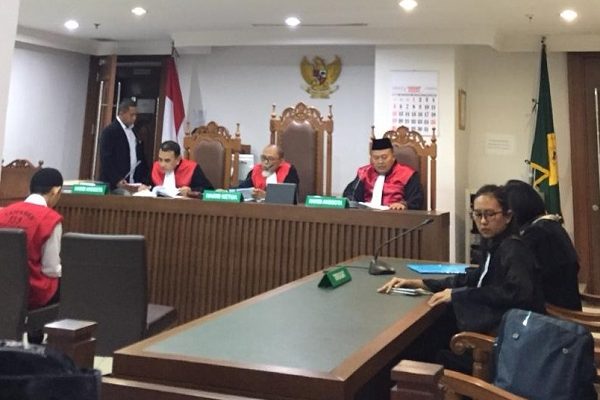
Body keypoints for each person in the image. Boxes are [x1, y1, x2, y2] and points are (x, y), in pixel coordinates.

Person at [377, 184, 545, 366]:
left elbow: (515, 293)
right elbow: (474, 278)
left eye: (490, 214)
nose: (483, 221)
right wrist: (422, 283)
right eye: (477, 214)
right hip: (491, 327)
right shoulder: (494, 244)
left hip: (505, 342)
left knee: (424, 340)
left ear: (508, 216)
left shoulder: (513, 249)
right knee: (430, 332)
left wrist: (458, 295)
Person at [504, 179, 582, 310]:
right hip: (563, 308)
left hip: (553, 314)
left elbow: (519, 283)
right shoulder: (549, 226)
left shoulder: (537, 234)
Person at [0, 168, 63, 309]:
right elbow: (51, 269)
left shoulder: (3, 212)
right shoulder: (51, 219)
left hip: (3, 287)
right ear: (55, 191)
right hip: (31, 292)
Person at [343, 138, 423, 210]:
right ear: (371, 159)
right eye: (376, 158)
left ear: (393, 157)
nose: (380, 161)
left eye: (384, 157)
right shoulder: (364, 172)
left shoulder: (407, 174)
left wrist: (403, 205)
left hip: (395, 216)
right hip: (367, 216)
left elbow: (416, 200)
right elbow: (351, 195)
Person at [99, 98, 150, 193]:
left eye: (136, 115)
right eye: (131, 115)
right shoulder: (110, 131)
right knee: (125, 195)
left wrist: (144, 180)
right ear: (122, 113)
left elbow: (140, 156)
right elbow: (106, 159)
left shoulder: (134, 131)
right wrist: (116, 179)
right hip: (114, 184)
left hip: (133, 182)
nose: (134, 118)